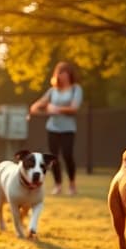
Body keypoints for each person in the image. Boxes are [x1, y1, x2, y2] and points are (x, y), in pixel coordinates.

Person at [30, 61, 82, 195]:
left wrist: (56, 108)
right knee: (53, 158)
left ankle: (72, 184)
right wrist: (43, 110)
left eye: (64, 73)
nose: (62, 76)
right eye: (59, 73)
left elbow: (74, 108)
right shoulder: (52, 91)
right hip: (53, 128)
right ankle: (58, 185)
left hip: (68, 129)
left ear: (69, 74)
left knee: (67, 155)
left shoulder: (76, 89)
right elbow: (35, 107)